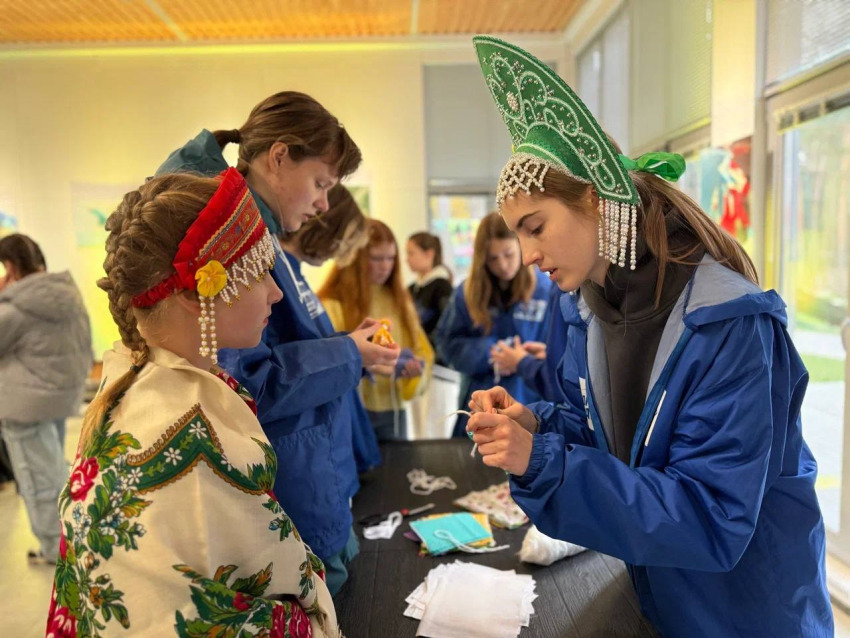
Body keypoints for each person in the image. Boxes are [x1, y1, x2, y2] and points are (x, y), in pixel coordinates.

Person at [466, 36, 832, 637]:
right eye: (517, 235)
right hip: (662, 593)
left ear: (592, 197)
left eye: (536, 228)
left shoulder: (729, 324)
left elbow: (712, 517)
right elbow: (609, 435)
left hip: (748, 610)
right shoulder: (582, 307)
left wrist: (547, 464)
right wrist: (538, 426)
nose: (528, 254)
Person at [45, 169, 342, 636]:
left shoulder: (129, 388)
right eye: (257, 271)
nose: (276, 291)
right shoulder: (187, 432)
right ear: (191, 292)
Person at [157, 91, 399, 595]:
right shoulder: (233, 240)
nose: (324, 204)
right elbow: (246, 379)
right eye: (320, 183)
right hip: (285, 489)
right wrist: (350, 352)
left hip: (309, 478)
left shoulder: (258, 237)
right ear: (279, 156)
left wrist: (347, 347)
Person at [0, 233, 92, 565]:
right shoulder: (65, 292)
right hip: (59, 397)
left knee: (37, 479)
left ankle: (55, 549)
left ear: (10, 266)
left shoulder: (17, 306)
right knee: (53, 471)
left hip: (25, 405)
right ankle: (69, 539)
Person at [279, 184, 381, 473]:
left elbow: (315, 350)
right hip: (309, 445)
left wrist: (355, 347)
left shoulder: (293, 274)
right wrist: (351, 350)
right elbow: (291, 365)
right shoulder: (281, 275)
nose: (339, 253)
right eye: (342, 241)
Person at [434, 212, 551, 437]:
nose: (503, 265)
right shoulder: (467, 294)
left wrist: (522, 361)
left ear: (520, 247)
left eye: (508, 254)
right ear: (482, 259)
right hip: (480, 400)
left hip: (532, 402)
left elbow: (559, 350)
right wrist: (492, 354)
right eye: (493, 259)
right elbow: (446, 342)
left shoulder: (547, 290)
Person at [319, 220, 434, 442]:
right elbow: (326, 361)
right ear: (357, 258)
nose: (385, 266)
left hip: (392, 410)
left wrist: (413, 370)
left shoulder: (400, 301)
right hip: (348, 409)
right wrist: (369, 365)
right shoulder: (332, 303)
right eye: (377, 258)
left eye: (391, 258)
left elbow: (423, 353)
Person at [406, 232, 453, 350]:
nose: (407, 259)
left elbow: (447, 327)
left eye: (411, 253)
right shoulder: (411, 288)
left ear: (429, 254)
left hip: (436, 356)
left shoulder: (442, 287)